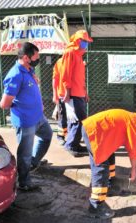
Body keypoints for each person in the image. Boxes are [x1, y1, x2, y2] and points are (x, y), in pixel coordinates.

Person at [81, 108, 136, 219]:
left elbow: (129, 142)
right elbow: (133, 148)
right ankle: (95, 206)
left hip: (94, 129)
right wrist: (133, 170)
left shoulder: (133, 118)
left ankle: (109, 186)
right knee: (101, 169)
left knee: (109, 155)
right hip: (94, 132)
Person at [0, 42, 53, 191]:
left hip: (38, 117)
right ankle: (24, 182)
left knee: (47, 135)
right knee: (24, 153)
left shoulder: (28, 69)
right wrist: (24, 107)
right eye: (36, 57)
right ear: (25, 57)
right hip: (25, 121)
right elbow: (4, 104)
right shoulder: (15, 74)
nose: (38, 59)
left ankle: (33, 163)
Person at [60, 29, 93, 157]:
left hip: (79, 93)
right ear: (78, 41)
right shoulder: (70, 53)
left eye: (87, 41)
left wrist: (85, 93)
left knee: (78, 120)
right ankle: (71, 145)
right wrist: (67, 92)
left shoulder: (79, 55)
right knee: (78, 121)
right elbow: (66, 74)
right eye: (84, 41)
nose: (86, 44)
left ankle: (74, 144)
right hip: (72, 94)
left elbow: (80, 77)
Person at [52, 57, 68, 146]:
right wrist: (55, 95)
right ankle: (60, 136)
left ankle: (71, 136)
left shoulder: (78, 60)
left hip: (75, 95)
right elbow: (55, 79)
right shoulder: (60, 62)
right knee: (62, 116)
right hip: (62, 94)